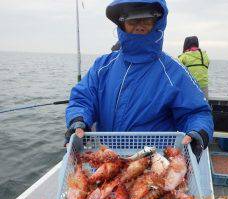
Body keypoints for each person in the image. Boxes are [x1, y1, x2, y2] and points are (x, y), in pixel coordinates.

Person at [65, 0, 214, 162]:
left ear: (158, 21)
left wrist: (198, 132)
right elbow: (82, 99)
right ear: (122, 23)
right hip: (106, 161)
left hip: (154, 164)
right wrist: (78, 120)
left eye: (146, 19)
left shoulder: (175, 73)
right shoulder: (102, 66)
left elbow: (196, 112)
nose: (139, 25)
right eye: (132, 19)